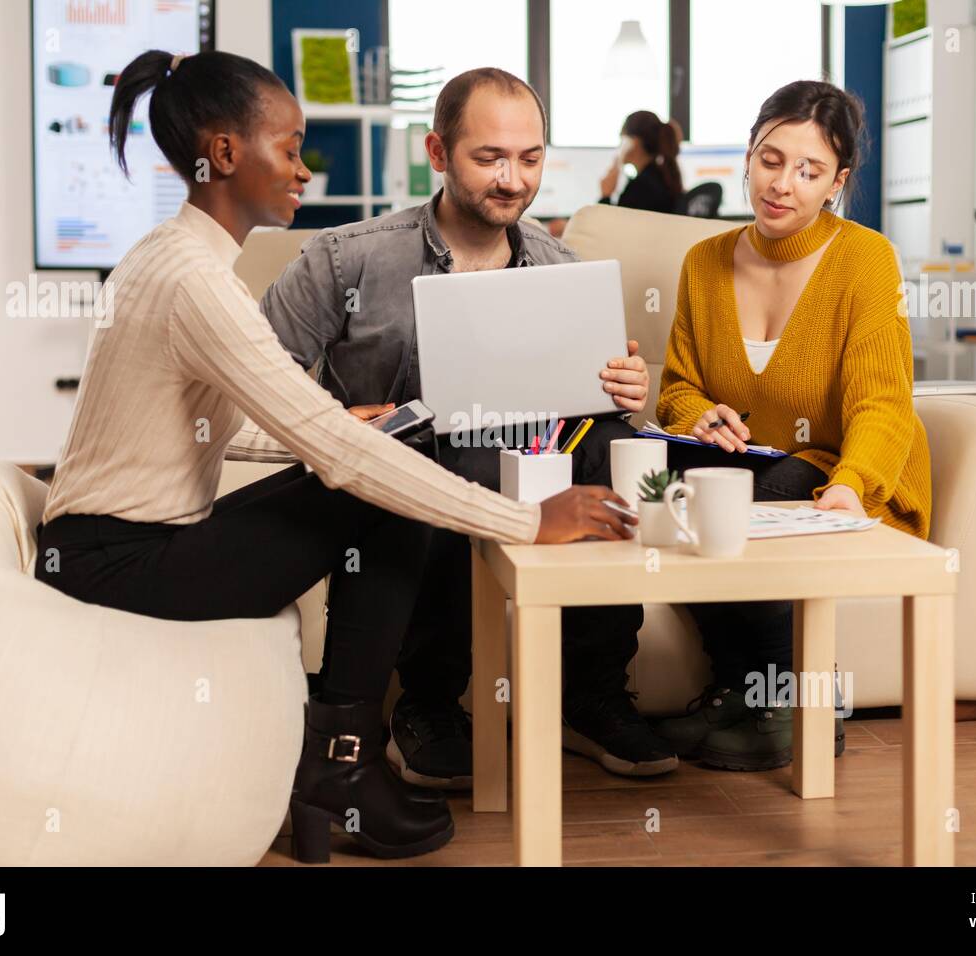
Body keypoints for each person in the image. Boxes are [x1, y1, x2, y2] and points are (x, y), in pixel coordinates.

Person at [34, 49, 637, 862]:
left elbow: (207, 425)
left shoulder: (179, 258)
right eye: (288, 149)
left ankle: (338, 766)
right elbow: (342, 461)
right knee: (372, 487)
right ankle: (340, 769)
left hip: (113, 542)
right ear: (223, 154)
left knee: (375, 466)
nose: (303, 170)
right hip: (117, 560)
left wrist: (339, 417)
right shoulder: (196, 281)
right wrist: (527, 519)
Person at [259, 68, 679, 789]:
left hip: (534, 459)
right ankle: (428, 704)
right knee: (442, 457)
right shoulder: (348, 257)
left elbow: (601, 407)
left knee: (620, 449)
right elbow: (254, 369)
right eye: (489, 158)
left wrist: (625, 393)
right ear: (437, 151)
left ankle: (591, 696)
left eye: (530, 158)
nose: (513, 180)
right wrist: (329, 417)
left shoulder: (558, 268)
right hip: (410, 477)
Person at [651, 80, 933, 771]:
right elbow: (677, 389)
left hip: (841, 469)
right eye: (771, 160)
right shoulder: (704, 262)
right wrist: (700, 415)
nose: (783, 185)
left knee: (760, 498)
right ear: (748, 156)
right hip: (745, 465)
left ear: (835, 183)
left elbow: (882, 403)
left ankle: (803, 705)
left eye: (809, 172)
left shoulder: (866, 261)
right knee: (659, 492)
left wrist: (851, 485)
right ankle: (738, 685)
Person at [598, 110, 684, 214]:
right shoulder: (662, 178)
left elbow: (612, 228)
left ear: (634, 142)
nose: (620, 147)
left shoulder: (640, 188)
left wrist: (605, 196)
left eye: (622, 139)